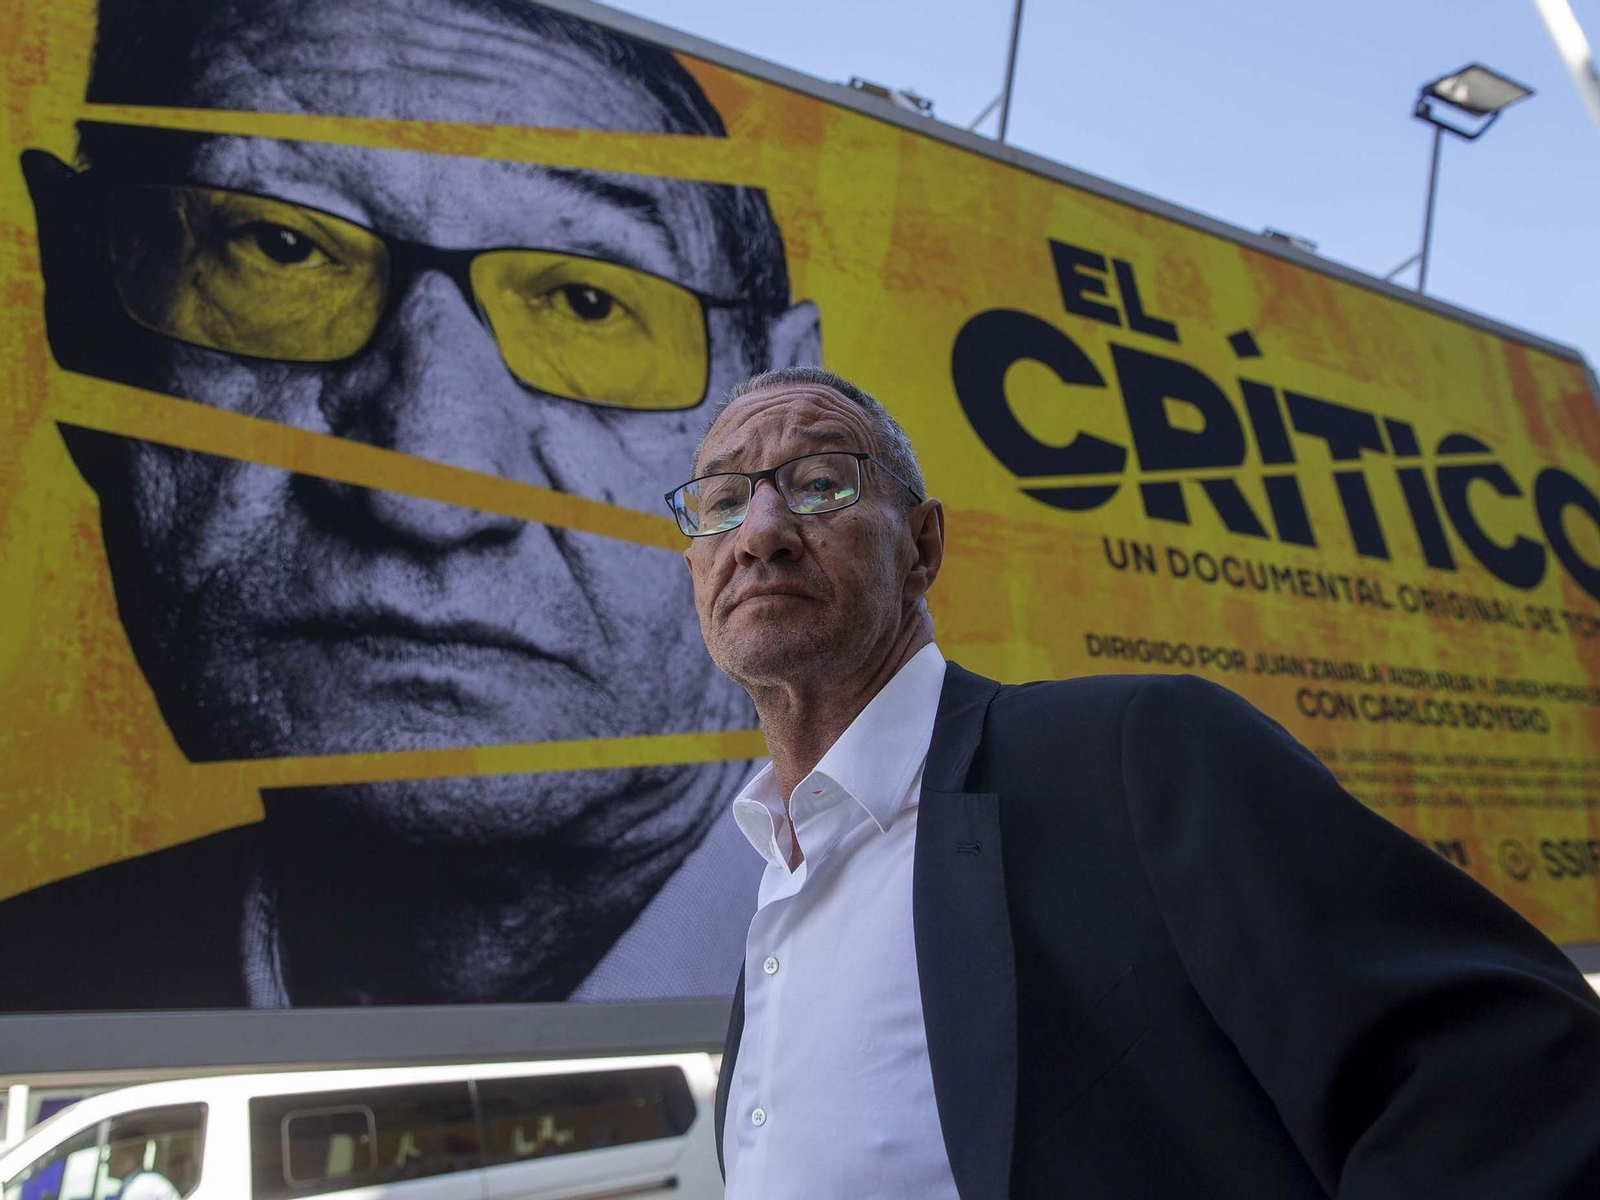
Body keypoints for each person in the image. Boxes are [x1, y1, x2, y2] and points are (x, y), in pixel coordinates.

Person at [1, 0, 821, 1008]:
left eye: (588, 300)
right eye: (278, 251)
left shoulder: (987, 962)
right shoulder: (41, 978)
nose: (430, 488)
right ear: (80, 308)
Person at [674, 365, 1600, 1198]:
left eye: (819, 484)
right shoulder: (772, 887)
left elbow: (1508, 1083)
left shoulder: (1133, 752)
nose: (761, 532)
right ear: (696, 568)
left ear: (922, 545)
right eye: (722, 502)